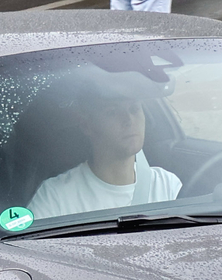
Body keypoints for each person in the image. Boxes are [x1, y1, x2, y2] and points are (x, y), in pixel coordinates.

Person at [27, 78, 183, 220]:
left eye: (134, 108)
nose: (128, 120)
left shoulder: (167, 184)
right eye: (112, 112)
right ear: (87, 126)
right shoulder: (55, 196)